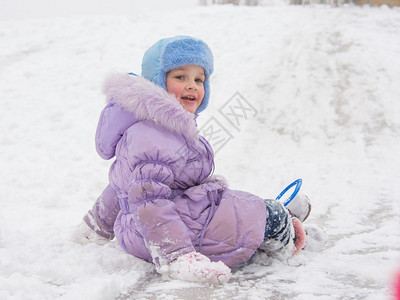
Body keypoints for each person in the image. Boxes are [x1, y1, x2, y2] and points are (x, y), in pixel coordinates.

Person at [72, 36, 326, 285]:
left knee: (238, 205)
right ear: (157, 83)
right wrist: (176, 256)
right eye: (180, 77)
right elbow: (149, 201)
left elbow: (120, 187)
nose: (192, 85)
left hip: (165, 222)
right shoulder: (152, 135)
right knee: (255, 216)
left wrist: (95, 226)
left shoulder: (159, 127)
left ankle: (272, 217)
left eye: (199, 79)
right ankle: (287, 236)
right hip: (162, 233)